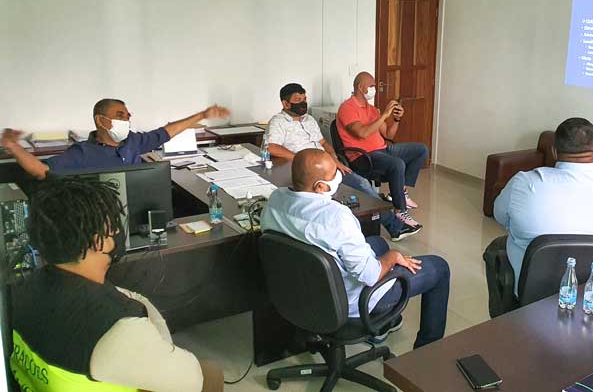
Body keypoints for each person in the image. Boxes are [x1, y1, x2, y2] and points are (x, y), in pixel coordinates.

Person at [10, 178, 223, 392]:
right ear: (99, 242)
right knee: (211, 373)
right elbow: (191, 381)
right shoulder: (119, 326)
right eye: (114, 227)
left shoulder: (19, 291)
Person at [261, 148, 450, 348]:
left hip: (300, 291)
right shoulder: (337, 217)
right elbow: (370, 275)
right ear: (320, 186)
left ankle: (383, 325)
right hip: (348, 303)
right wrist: (393, 257)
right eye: (333, 174)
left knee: (378, 243)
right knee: (439, 268)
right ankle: (426, 353)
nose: (339, 175)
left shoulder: (275, 199)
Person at [494, 118, 593, 294]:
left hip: (532, 294)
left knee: (496, 247)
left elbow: (499, 215)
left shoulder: (525, 183)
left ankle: (504, 308)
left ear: (554, 151)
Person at [266, 83, 420, 241]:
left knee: (361, 184)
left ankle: (392, 226)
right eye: (298, 100)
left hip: (328, 164)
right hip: (307, 170)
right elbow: (272, 147)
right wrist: (303, 159)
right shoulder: (278, 122)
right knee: (358, 188)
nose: (303, 103)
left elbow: (324, 143)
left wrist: (334, 159)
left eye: (305, 99)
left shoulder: (309, 120)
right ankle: (396, 227)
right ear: (286, 104)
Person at [1, 99, 230, 179]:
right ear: (101, 121)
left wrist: (202, 115)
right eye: (120, 115)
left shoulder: (133, 141)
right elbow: (41, 171)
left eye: (127, 115)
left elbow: (166, 132)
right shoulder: (82, 153)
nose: (126, 119)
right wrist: (12, 145)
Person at [336, 72, 429, 228]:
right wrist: (384, 115)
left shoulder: (372, 109)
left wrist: (396, 119)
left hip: (383, 149)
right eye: (371, 86)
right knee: (397, 164)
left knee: (421, 150)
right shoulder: (347, 108)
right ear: (360, 87)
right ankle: (400, 211)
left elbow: (388, 134)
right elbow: (362, 133)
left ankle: (400, 191)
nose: (374, 89)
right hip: (363, 156)